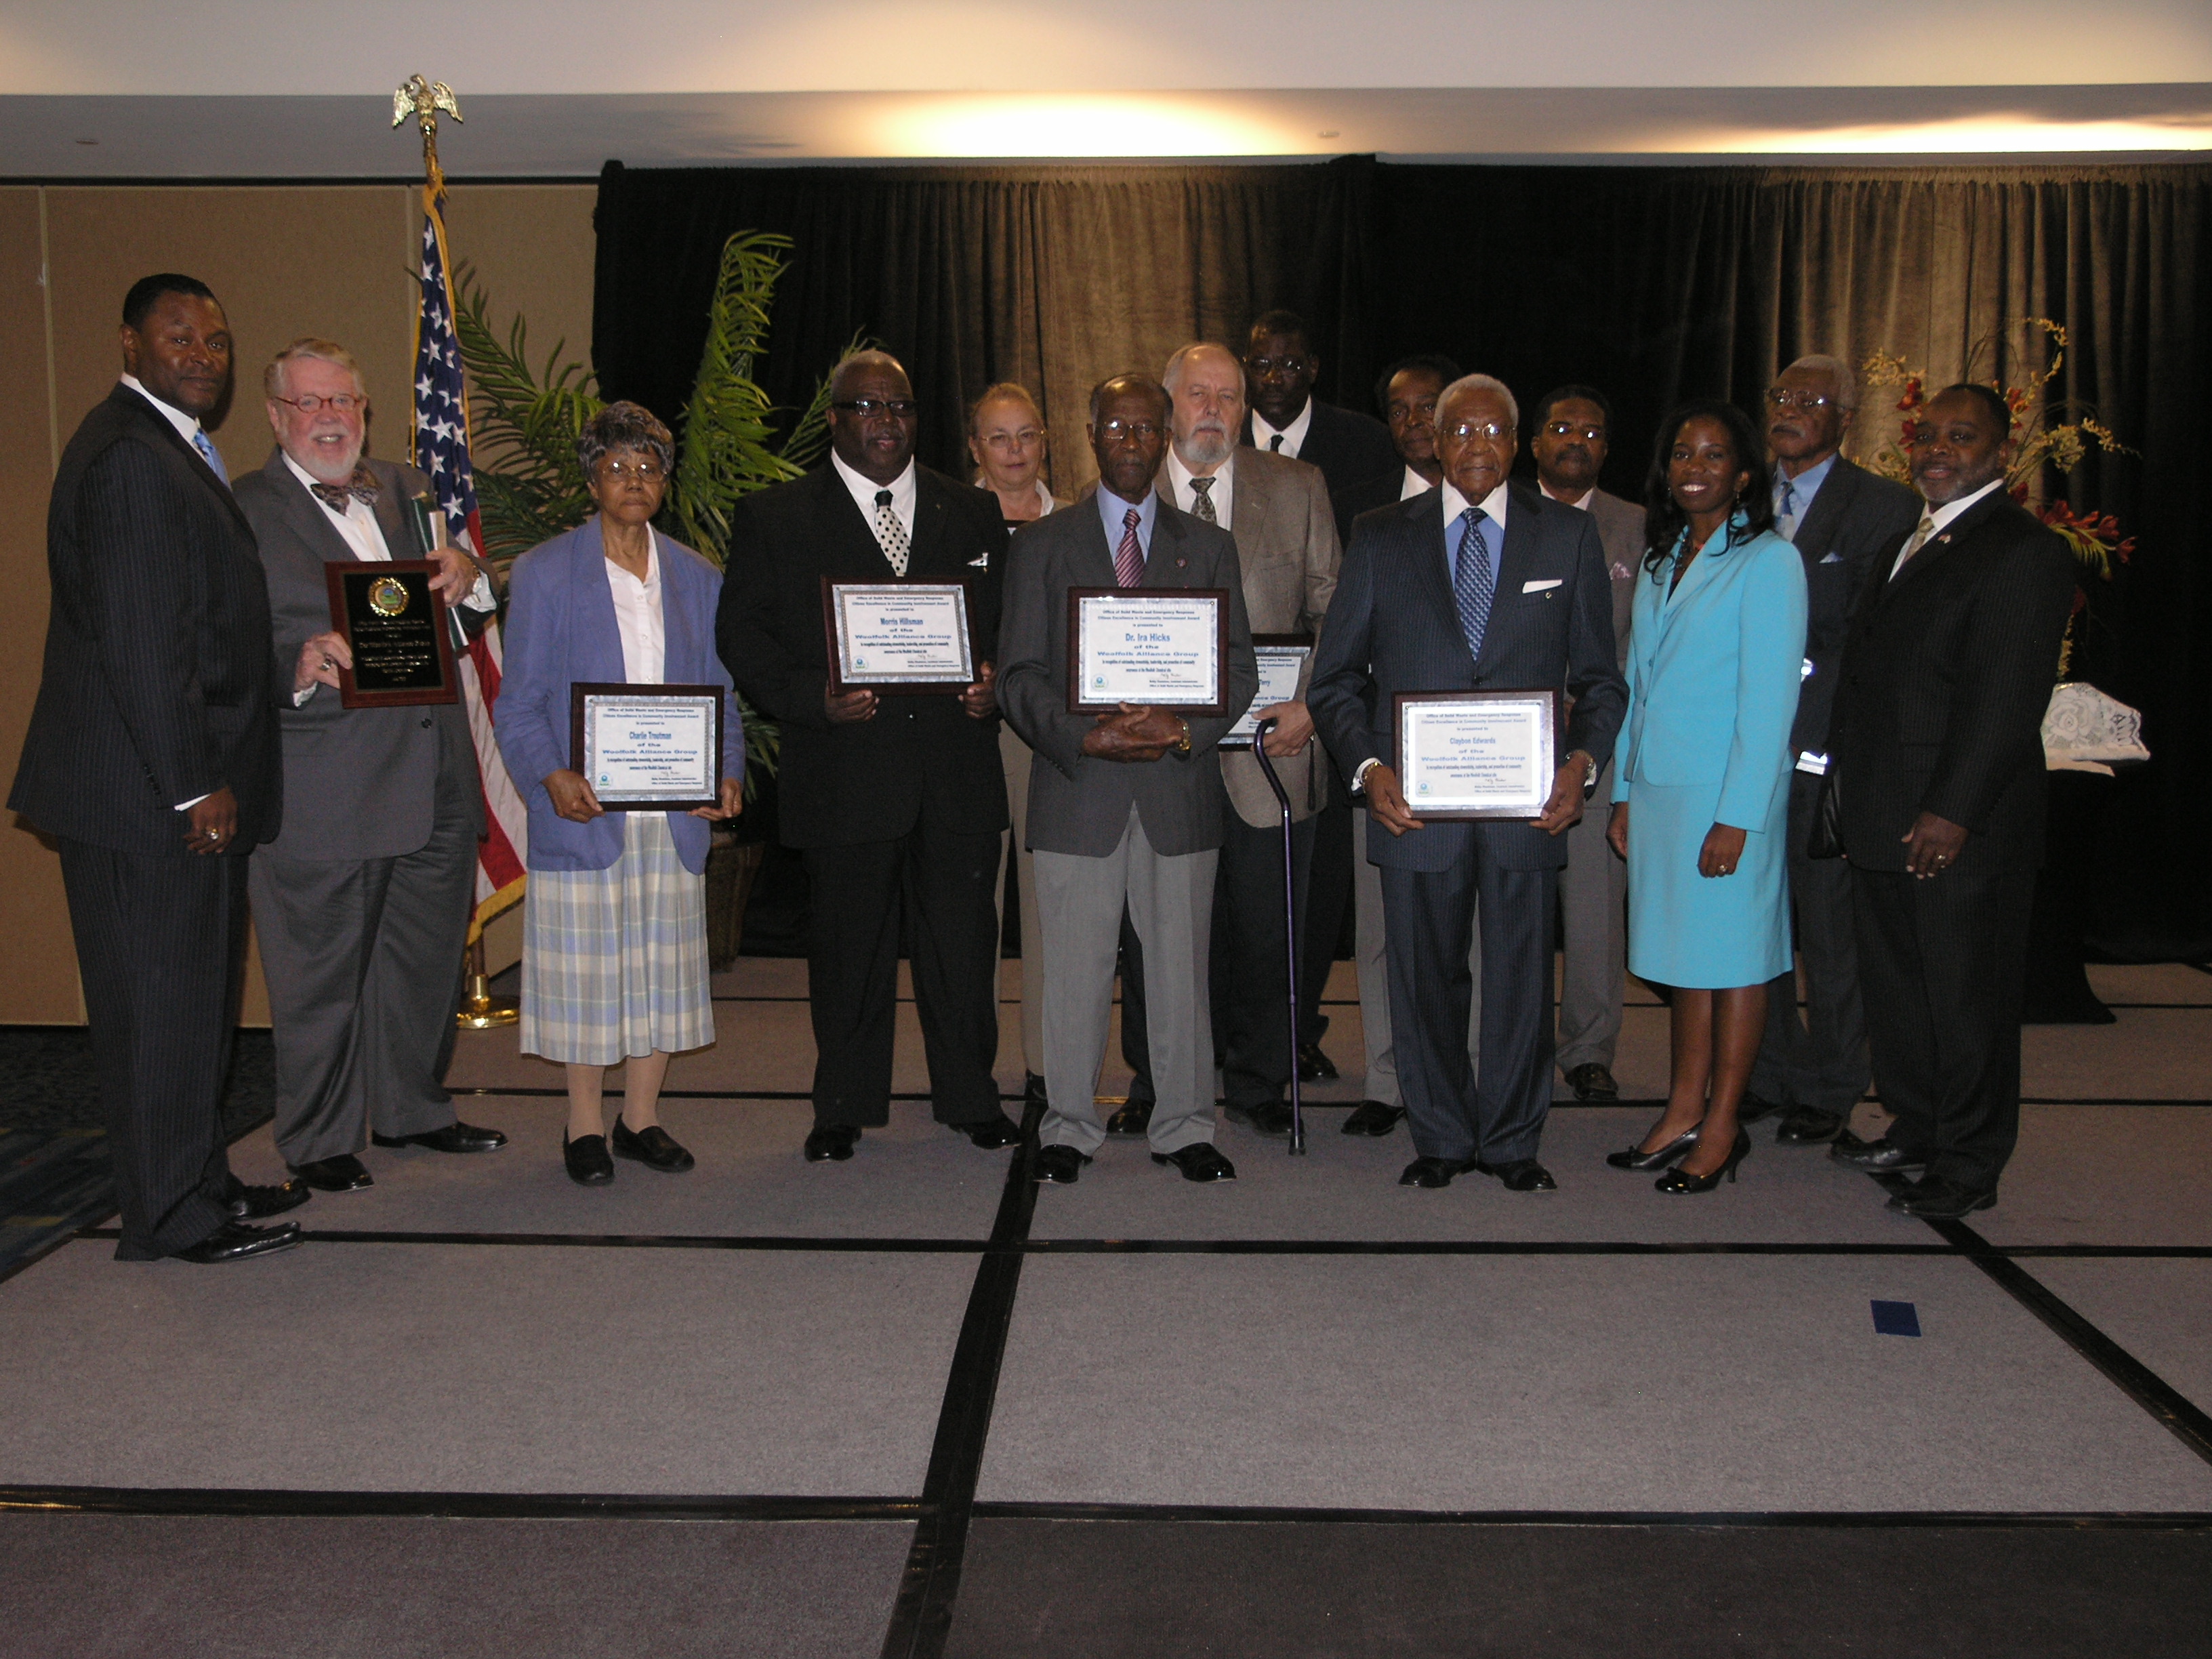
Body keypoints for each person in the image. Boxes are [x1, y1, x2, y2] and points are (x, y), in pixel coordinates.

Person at [8, 274, 299, 1263]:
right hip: (147, 799)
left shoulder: (169, 448)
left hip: (166, 790)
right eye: (177, 338)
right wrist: (191, 782)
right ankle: (168, 1216)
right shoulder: (132, 458)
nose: (201, 355)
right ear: (129, 344)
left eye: (215, 341)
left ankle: (195, 1182)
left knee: (189, 1005)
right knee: (157, 1010)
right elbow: (143, 643)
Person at [1308, 374, 1624, 1191]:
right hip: (1414, 808)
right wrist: (1369, 770)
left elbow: (1601, 680)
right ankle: (1443, 1137)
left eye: (1494, 433)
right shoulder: (1380, 534)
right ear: (1435, 444)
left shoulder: (1568, 538)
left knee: (1521, 977)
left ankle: (1514, 1141)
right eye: (1460, 432)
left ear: (1516, 447)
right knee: (1423, 977)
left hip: (1529, 809)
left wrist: (1580, 766)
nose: (1477, 446)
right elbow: (1336, 679)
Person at [719, 352, 1019, 1162]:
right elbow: (742, 638)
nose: (887, 421)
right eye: (867, 407)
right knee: (849, 949)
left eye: (901, 407)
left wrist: (996, 685)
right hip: (844, 771)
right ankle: (844, 1104)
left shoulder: (975, 513)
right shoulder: (776, 516)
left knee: (961, 946)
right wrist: (812, 698)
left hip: (955, 770)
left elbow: (1007, 632)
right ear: (835, 420)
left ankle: (971, 1095)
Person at [232, 337, 508, 1195]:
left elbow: (462, 616)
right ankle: (315, 1135)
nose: (329, 419)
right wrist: (294, 663)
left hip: (433, 772)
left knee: (421, 962)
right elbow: (214, 638)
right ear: (276, 416)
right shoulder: (238, 509)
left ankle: (411, 1109)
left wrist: (473, 574)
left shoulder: (409, 487)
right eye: (309, 403)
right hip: (325, 782)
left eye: (343, 402)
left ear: (366, 410)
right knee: (320, 973)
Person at [997, 373, 1259, 1185]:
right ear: (1091, 434)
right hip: (1080, 789)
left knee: (1181, 972)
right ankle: (1069, 1126)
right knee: (1072, 972)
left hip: (1178, 792)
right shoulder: (1043, 543)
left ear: (1167, 436)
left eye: (1148, 429)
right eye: (1118, 428)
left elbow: (1239, 670)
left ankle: (1184, 1125)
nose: (1133, 443)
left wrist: (1186, 729)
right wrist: (1087, 736)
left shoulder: (1207, 545)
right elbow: (1020, 675)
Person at [1824, 383, 2075, 1218]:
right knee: (1901, 991)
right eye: (1926, 435)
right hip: (1883, 812)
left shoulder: (2022, 551)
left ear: (2001, 452)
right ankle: (1918, 1125)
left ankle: (1968, 1165)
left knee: (1968, 1001)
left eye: (1959, 437)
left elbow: (2006, 701)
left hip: (1960, 830)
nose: (1937, 449)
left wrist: (1953, 811)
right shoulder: (1910, 537)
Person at [496, 403, 745, 1185]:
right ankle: (582, 1127)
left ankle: (641, 1119)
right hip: (587, 810)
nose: (633, 481)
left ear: (665, 484)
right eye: (617, 468)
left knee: (663, 966)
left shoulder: (698, 576)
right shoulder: (544, 572)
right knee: (585, 972)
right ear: (591, 479)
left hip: (673, 810)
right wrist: (550, 776)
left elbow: (722, 695)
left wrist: (727, 773)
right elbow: (520, 702)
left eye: (648, 469)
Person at [1113, 342, 1339, 1139]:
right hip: (1157, 757)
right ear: (1170, 405)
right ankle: (1156, 1074)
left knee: (1265, 924)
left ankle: (1258, 1077)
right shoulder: (1122, 489)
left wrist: (1314, 705)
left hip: (1273, 749)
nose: (1214, 408)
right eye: (1198, 394)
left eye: (1229, 396)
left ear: (1245, 409)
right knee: (1154, 926)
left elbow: (1335, 612)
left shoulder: (1299, 487)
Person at [1603, 401, 1807, 1194]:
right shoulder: (1662, 557)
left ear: (1744, 473)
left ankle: (1723, 1125)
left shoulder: (1768, 563)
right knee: (1684, 965)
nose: (1696, 466)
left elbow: (1769, 706)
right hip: (1659, 795)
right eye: (1682, 453)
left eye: (1714, 455)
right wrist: (1623, 789)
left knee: (1736, 966)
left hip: (1728, 801)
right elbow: (1638, 686)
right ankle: (1682, 1107)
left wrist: (1739, 816)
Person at [1740, 355, 1923, 1153]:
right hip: (1741, 753)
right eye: (1782, 397)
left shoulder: (1887, 508)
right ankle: (1768, 1071)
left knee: (1830, 934)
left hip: (1826, 753)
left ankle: (1834, 1085)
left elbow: (1878, 644)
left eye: (1813, 401)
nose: (1793, 411)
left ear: (1845, 419)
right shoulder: (1737, 497)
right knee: (1757, 925)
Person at [1240, 311, 1399, 1091]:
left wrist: (1320, 698)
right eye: (1261, 364)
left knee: (1316, 885)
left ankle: (1300, 1031)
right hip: (1231, 715)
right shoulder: (1208, 438)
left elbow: (1350, 587)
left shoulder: (1365, 443)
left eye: (1290, 363)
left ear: (1314, 370)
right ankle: (1247, 1036)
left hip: (1328, 701)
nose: (1275, 377)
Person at [1338, 353, 1459, 1138]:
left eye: (1430, 409)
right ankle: (1388, 1078)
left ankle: (1466, 1070)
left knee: (1472, 930)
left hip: (1487, 760)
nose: (1416, 424)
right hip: (1388, 754)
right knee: (1382, 931)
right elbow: (1341, 646)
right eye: (1402, 411)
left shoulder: (1514, 509)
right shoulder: (1361, 512)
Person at [1530, 384, 1647, 1104]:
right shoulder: (1500, 512)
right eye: (1562, 427)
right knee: (1511, 902)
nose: (1578, 440)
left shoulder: (1638, 524)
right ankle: (1507, 1038)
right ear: (1534, 443)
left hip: (1600, 744)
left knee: (1597, 904)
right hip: (1511, 744)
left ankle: (1589, 1047)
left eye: (1593, 432)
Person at [968, 383, 1063, 1111]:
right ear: (975, 448)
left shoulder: (1077, 525)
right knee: (971, 908)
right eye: (998, 438)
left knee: (1049, 907)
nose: (1014, 451)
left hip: (1047, 738)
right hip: (964, 735)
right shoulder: (947, 520)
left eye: (1026, 435)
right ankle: (971, 1068)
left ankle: (1046, 1063)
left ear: (1046, 441)